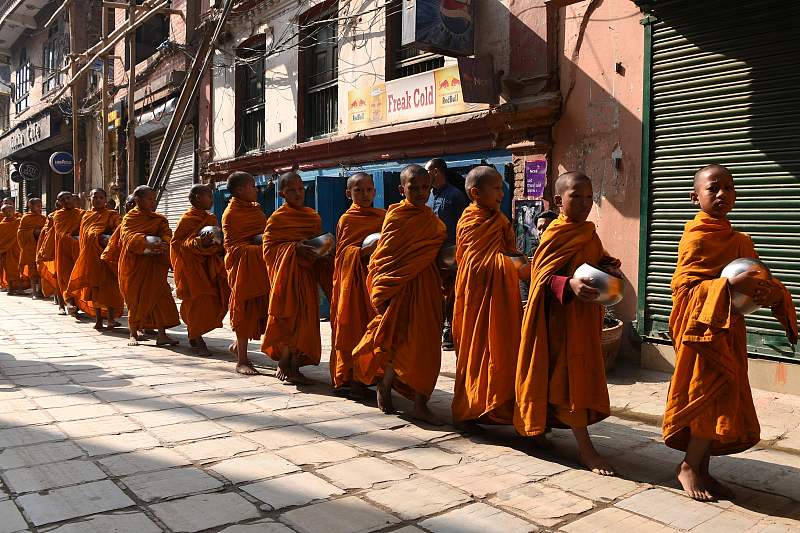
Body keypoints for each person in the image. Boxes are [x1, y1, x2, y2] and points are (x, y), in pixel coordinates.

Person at [663, 164, 797, 501]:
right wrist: (725, 286)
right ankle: (689, 467)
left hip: (729, 331)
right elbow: (684, 291)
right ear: (696, 197)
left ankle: (703, 470)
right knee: (703, 400)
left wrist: (777, 300)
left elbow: (755, 281)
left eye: (728, 188)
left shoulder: (740, 240)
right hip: (700, 332)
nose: (722, 194)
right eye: (713, 188)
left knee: (721, 399)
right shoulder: (695, 236)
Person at [515, 171, 621, 476]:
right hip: (559, 322)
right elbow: (541, 279)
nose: (585, 203)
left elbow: (596, 258)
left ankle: (537, 431)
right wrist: (568, 285)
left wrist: (608, 265)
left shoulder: (589, 232)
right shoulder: (554, 233)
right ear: (560, 201)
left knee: (571, 377)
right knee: (568, 378)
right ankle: (586, 450)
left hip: (585, 320)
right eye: (577, 196)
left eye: (589, 197)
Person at [352, 164, 446, 423]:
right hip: (400, 288)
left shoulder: (432, 221)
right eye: (413, 188)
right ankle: (385, 385)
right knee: (395, 340)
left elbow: (434, 252)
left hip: (425, 287)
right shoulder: (395, 217)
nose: (420, 192)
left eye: (425, 187)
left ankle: (419, 401)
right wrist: (383, 291)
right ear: (401, 189)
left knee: (425, 344)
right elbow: (381, 258)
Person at [451, 166, 524, 427]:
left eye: (501, 187)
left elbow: (509, 251)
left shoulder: (500, 219)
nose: (501, 193)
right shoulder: (469, 221)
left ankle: (499, 406)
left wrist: (517, 263)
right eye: (495, 188)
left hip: (501, 298)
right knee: (475, 351)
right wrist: (507, 264)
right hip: (475, 297)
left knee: (503, 350)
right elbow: (472, 263)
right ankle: (471, 406)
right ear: (475, 193)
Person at [262, 171, 332, 384]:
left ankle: (295, 363)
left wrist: (324, 250)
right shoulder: (278, 219)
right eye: (291, 190)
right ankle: (283, 361)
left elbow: (316, 242)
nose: (298, 193)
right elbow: (269, 249)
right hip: (286, 276)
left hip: (306, 276)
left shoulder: (312, 216)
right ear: (282, 193)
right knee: (287, 318)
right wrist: (293, 249)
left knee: (305, 320)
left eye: (300, 189)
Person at [330, 172, 386, 398]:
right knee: (352, 329)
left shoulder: (382, 216)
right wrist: (362, 252)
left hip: (374, 282)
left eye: (369, 190)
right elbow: (342, 255)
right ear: (348, 193)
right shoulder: (347, 219)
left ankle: (369, 376)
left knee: (373, 330)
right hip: (351, 285)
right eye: (358, 190)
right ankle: (350, 379)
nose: (365, 195)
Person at [171, 184, 230, 356]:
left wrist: (217, 246)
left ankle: (194, 332)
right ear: (197, 198)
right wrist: (198, 242)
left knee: (213, 299)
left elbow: (217, 239)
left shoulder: (210, 219)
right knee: (197, 300)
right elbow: (177, 244)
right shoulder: (187, 219)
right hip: (191, 269)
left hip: (208, 266)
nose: (212, 200)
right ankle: (197, 337)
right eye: (209, 197)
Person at [118, 185, 180, 347]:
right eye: (150, 199)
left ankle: (162, 335)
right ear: (138, 200)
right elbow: (127, 237)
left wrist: (163, 242)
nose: (154, 202)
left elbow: (167, 233)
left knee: (161, 297)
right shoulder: (130, 218)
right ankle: (133, 333)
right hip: (135, 263)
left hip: (155, 263)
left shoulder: (158, 218)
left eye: (154, 199)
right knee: (136, 298)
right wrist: (145, 241)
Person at [222, 171, 269, 375]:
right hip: (242, 264)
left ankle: (236, 347)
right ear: (240, 190)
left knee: (260, 308)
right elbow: (233, 246)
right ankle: (242, 359)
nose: (256, 189)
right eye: (252, 186)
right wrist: (260, 248)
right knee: (243, 308)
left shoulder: (256, 210)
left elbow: (263, 234)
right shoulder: (230, 213)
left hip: (259, 264)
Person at [425, 158, 468, 350]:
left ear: (435, 171)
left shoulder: (455, 195)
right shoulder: (429, 196)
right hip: (431, 254)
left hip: (451, 255)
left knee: (452, 296)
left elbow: (462, 227)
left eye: (427, 172)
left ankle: (450, 331)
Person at [66, 188, 123, 330]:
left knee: (110, 288)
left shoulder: (112, 215)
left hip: (107, 257)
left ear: (106, 199)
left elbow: (119, 230)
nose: (98, 200)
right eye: (94, 197)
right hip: (91, 257)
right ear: (89, 199)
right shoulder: (86, 216)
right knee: (94, 288)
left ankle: (110, 319)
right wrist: (95, 237)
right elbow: (84, 237)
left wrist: (106, 237)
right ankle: (98, 320)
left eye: (101, 197)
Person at [51, 192, 84, 316]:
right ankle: (66, 304)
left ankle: (75, 305)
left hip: (78, 249)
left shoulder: (81, 214)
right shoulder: (58, 215)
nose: (66, 201)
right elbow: (61, 233)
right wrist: (73, 236)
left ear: (73, 199)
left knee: (76, 276)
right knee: (63, 277)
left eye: (68, 198)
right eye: (62, 200)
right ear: (59, 203)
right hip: (62, 250)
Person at [36, 195, 66, 310]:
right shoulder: (52, 216)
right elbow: (47, 232)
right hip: (54, 249)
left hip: (71, 250)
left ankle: (70, 303)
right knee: (58, 276)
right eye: (62, 200)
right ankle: (62, 304)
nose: (65, 202)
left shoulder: (78, 214)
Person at [17, 198, 46, 299]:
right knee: (33, 270)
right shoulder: (26, 218)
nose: (40, 207)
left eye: (40, 205)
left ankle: (41, 290)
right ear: (31, 206)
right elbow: (20, 233)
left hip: (41, 247)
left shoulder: (43, 218)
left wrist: (42, 232)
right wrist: (33, 232)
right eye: (37, 205)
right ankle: (34, 291)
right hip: (30, 248)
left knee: (41, 270)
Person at [0, 204, 25, 295]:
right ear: (2, 213)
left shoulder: (19, 221)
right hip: (6, 252)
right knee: (9, 270)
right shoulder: (1, 225)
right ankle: (10, 288)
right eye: (5, 212)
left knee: (19, 269)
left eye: (10, 211)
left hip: (17, 249)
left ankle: (20, 289)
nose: (8, 213)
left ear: (14, 211)